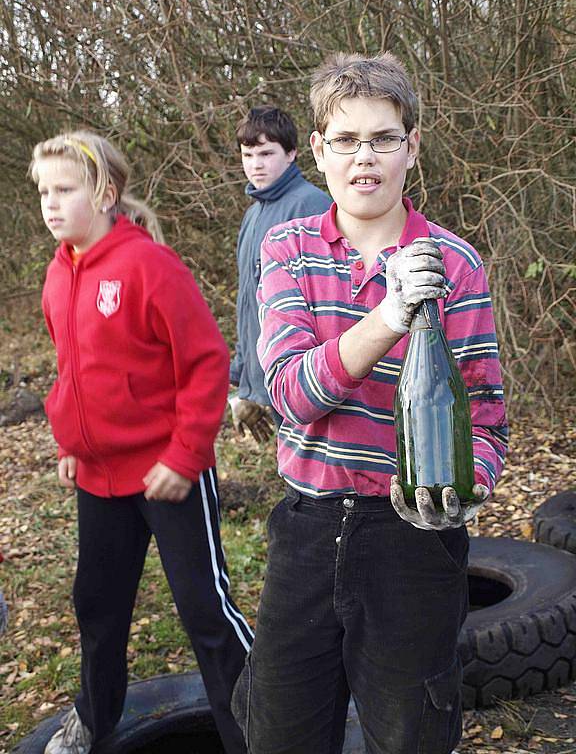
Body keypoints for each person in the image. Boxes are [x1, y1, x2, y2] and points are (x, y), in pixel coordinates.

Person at [233, 53, 508, 753]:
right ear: (319, 150)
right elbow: (293, 395)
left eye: (384, 138)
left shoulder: (458, 263)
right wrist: (390, 313)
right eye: (347, 140)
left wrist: (469, 479)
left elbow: (484, 412)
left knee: (412, 733)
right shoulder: (287, 250)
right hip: (306, 531)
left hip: (414, 540)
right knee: (280, 732)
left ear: (412, 148)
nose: (365, 158)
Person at [29, 131, 253, 754]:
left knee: (207, 613)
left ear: (105, 192)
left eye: (64, 189)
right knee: (97, 607)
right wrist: (69, 442)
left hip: (167, 474)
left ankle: (261, 729)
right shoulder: (57, 274)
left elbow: (206, 362)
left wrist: (184, 457)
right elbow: (73, 370)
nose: (50, 204)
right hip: (99, 479)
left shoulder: (149, 266)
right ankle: (95, 721)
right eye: (43, 191)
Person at [229, 105, 331, 440]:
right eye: (248, 154)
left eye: (266, 153)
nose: (256, 164)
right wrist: (245, 382)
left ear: (291, 153)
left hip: (306, 383)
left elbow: (326, 308)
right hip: (266, 379)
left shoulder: (312, 207)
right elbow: (249, 304)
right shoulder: (252, 215)